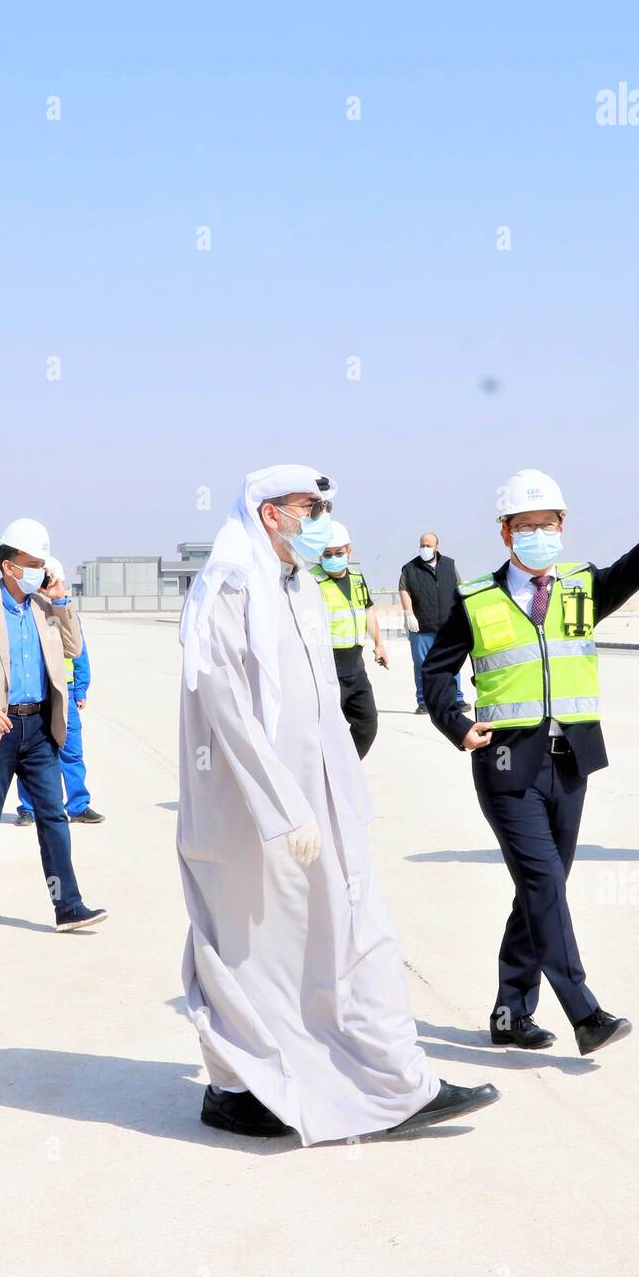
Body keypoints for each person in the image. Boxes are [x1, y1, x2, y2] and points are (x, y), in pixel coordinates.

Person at [176, 464, 498, 1143]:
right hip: (249, 815)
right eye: (306, 507)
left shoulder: (298, 587)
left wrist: (336, 795)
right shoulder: (230, 587)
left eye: (323, 508)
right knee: (238, 946)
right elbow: (225, 710)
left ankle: (395, 1081)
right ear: (268, 514)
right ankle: (234, 1088)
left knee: (356, 933)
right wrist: (279, 807)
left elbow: (323, 705)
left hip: (317, 802)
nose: (318, 521)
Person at [422, 467, 639, 1056]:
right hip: (506, 763)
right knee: (544, 884)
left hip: (570, 763)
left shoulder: (581, 588)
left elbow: (635, 566)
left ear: (562, 527)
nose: (539, 534)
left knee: (543, 888)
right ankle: (584, 1013)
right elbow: (436, 671)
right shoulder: (476, 599)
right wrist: (458, 725)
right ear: (506, 533)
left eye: (548, 523)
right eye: (526, 525)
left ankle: (510, 1013)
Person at [0, 518, 106, 933]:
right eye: (31, 563)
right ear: (8, 566)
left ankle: (67, 905)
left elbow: (74, 647)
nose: (38, 570)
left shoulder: (47, 608)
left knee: (53, 817)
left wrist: (61, 598)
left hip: (38, 729)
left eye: (42, 564)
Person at [14, 556, 104, 827]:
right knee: (29, 756)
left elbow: (79, 654)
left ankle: (78, 805)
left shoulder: (65, 614)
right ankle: (28, 808)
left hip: (64, 694)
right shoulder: (24, 614)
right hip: (38, 697)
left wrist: (81, 689)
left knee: (72, 753)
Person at [309, 521, 388, 759]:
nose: (334, 558)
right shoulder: (310, 581)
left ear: (349, 551)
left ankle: (346, 769)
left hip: (356, 667)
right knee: (323, 731)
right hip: (326, 668)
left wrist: (379, 644)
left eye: (338, 553)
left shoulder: (356, 576)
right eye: (328, 554)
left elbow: (368, 610)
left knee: (367, 724)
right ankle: (322, 778)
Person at [399, 533, 469, 714]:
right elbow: (404, 590)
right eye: (422, 545)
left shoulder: (449, 565)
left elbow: (460, 588)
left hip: (448, 625)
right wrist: (409, 614)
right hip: (422, 626)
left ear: (437, 546)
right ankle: (424, 702)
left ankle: (456, 699)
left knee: (451, 663)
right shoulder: (410, 568)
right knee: (422, 665)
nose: (425, 548)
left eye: (428, 545)